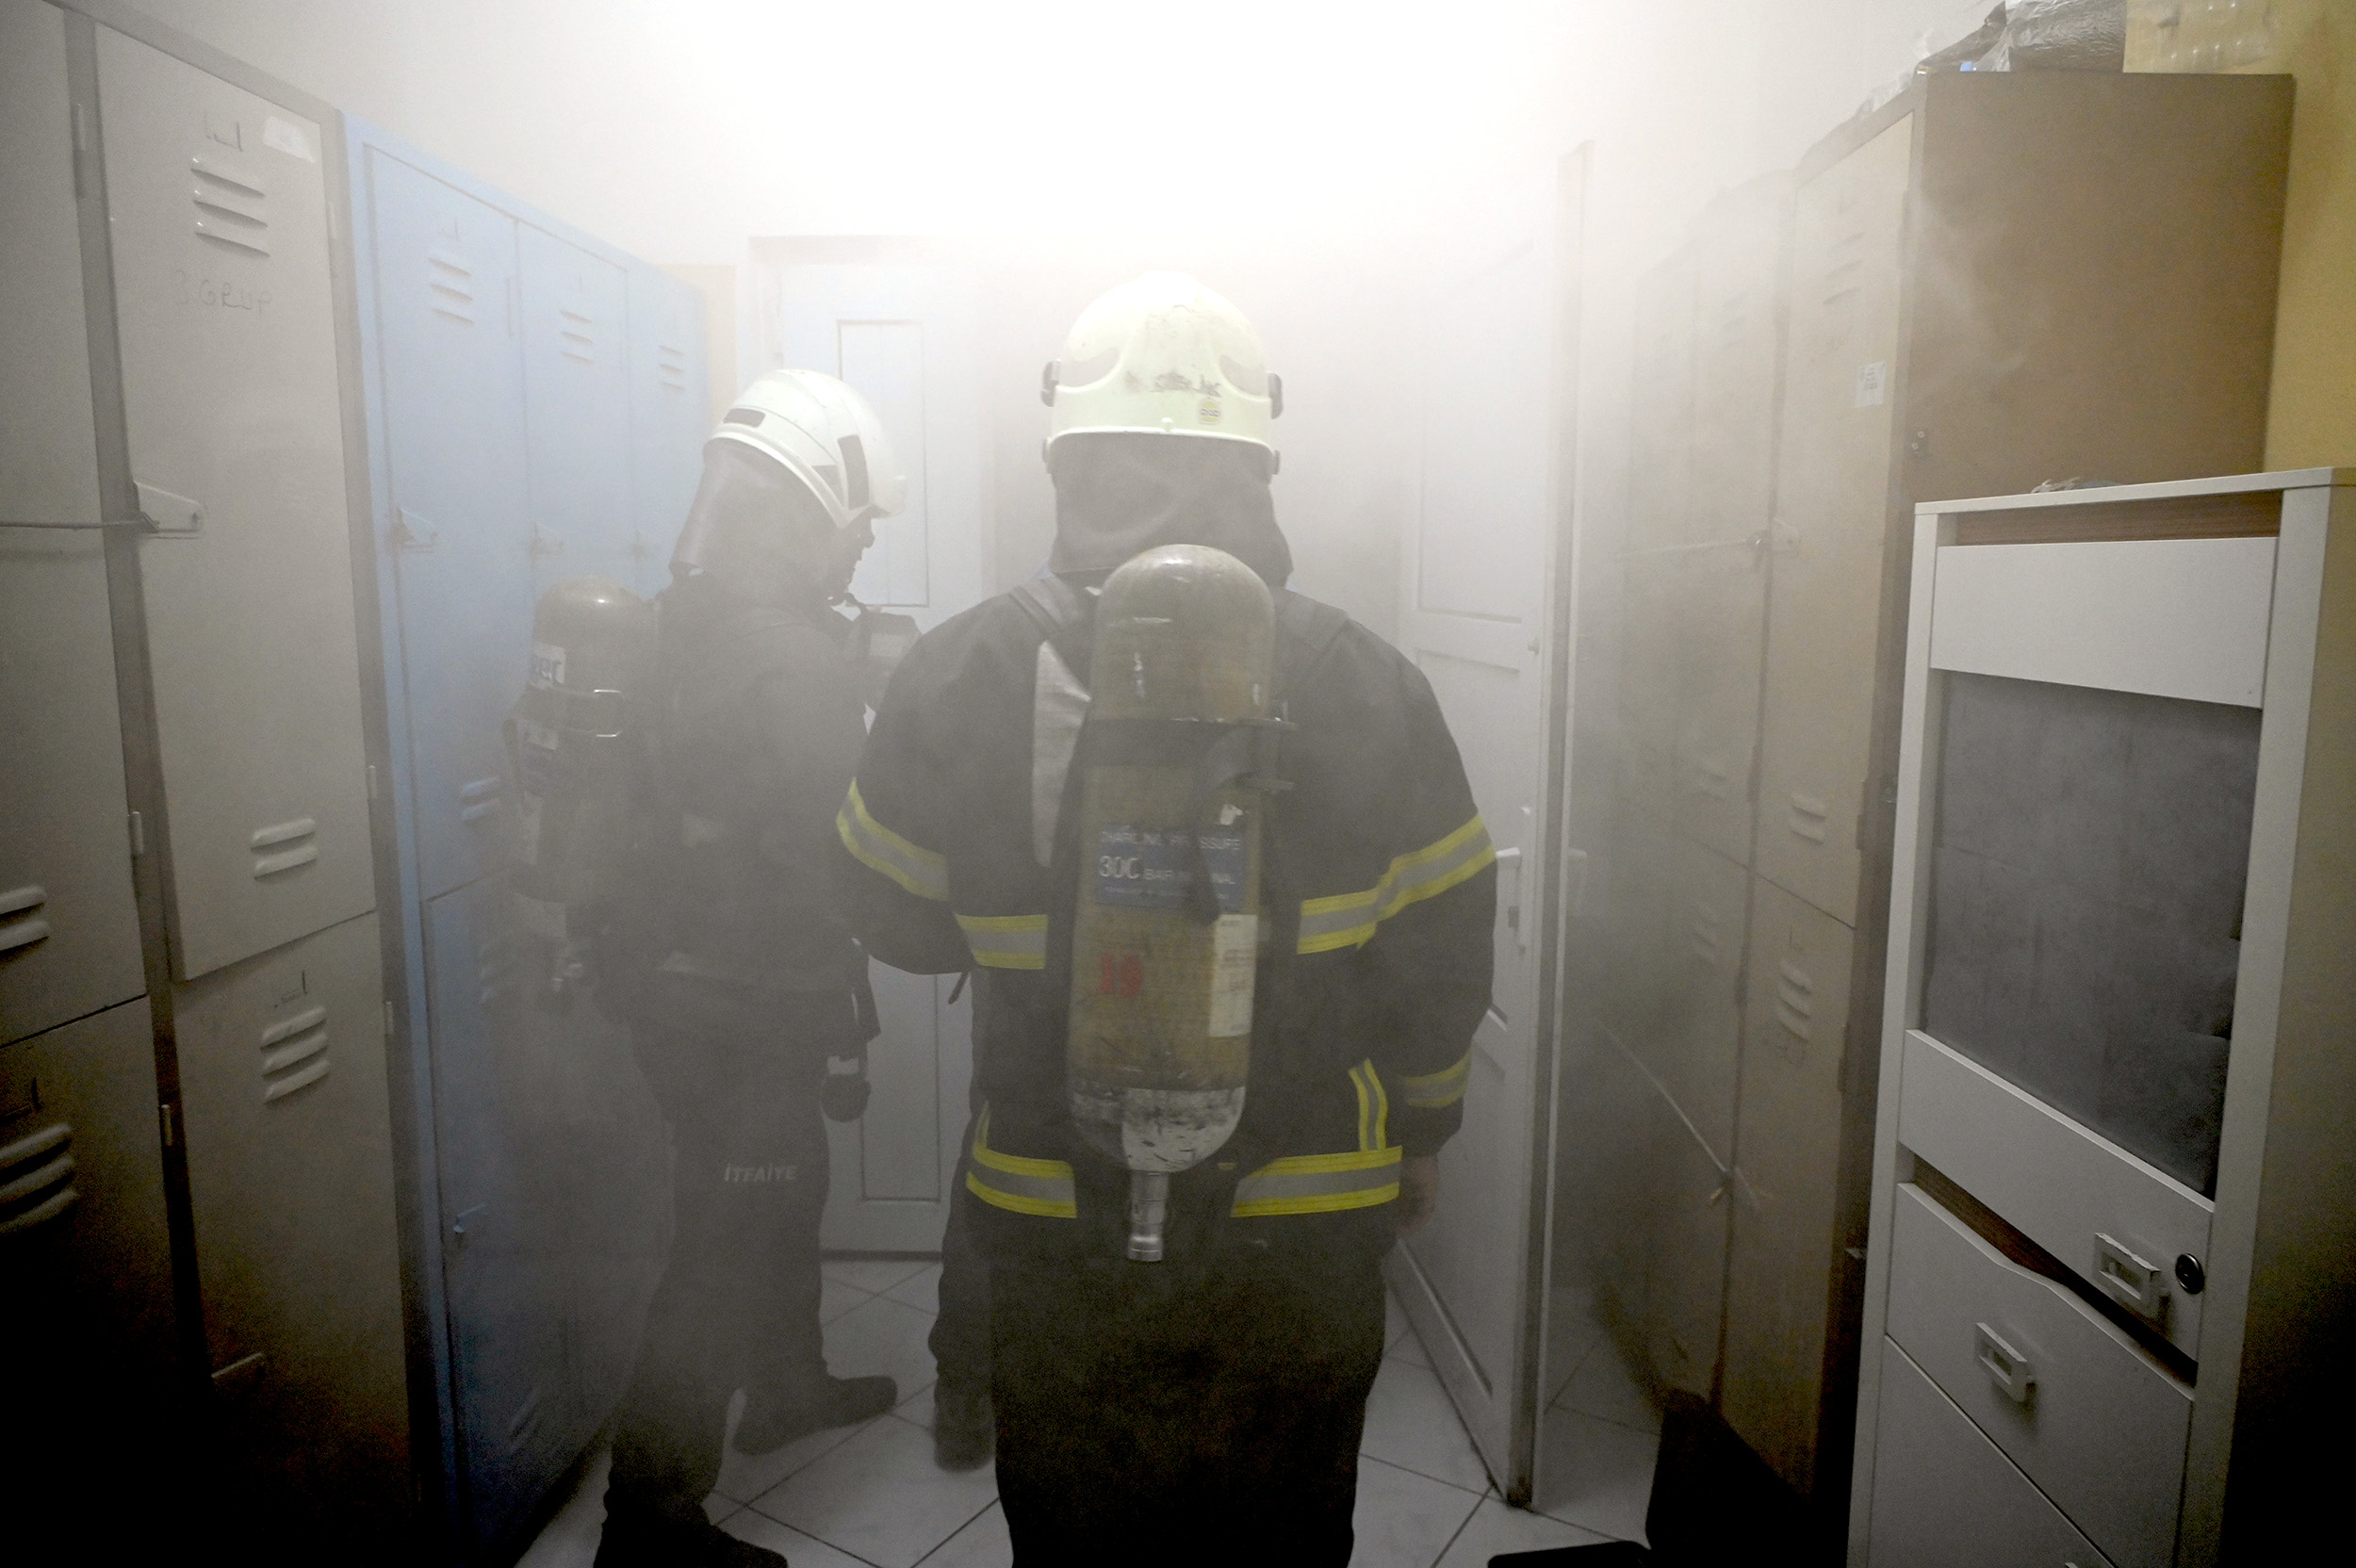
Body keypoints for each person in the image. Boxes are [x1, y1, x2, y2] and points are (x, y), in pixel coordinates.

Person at [836, 272, 1495, 1564]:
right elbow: (1442, 956)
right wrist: (1423, 1132)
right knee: (1279, 1547)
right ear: (1259, 466)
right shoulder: (1371, 682)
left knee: (1081, 1545)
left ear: (1063, 462)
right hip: (1305, 1227)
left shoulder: (958, 670)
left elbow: (891, 918)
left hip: (1052, 1219)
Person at [596, 369, 906, 1567]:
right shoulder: (792, 658)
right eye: (857, 526)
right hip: (743, 997)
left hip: (679, 980)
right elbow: (847, 839)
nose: (860, 548)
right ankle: (649, 1521)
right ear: (810, 510)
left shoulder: (678, 618)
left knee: (783, 1181)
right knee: (724, 1238)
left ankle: (788, 1382)